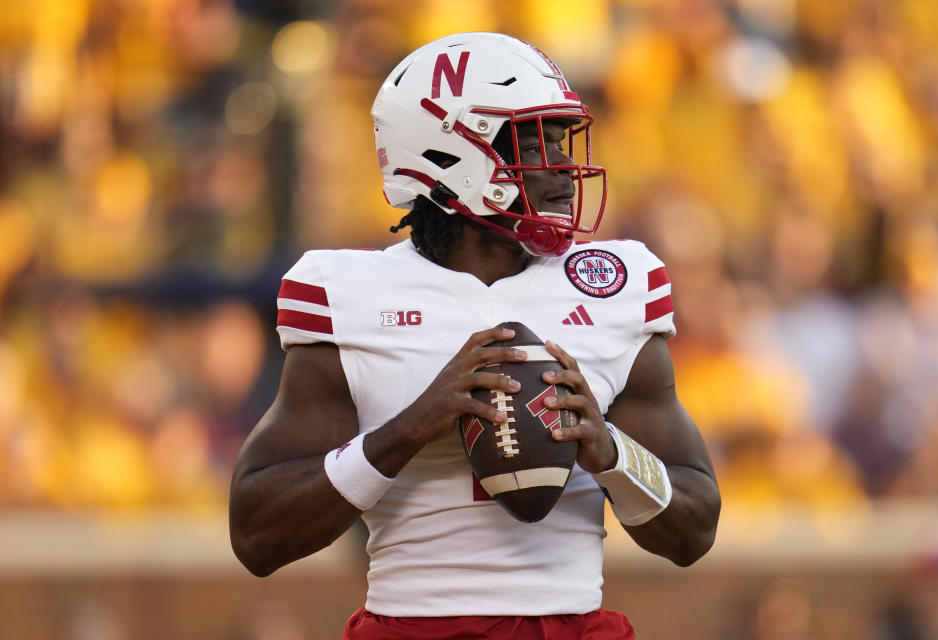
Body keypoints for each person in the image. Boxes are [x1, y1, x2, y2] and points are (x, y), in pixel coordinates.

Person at [229, 31, 721, 640]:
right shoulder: (349, 293)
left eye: (563, 142)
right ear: (451, 156)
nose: (565, 169)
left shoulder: (614, 285)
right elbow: (256, 536)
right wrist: (406, 431)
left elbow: (696, 530)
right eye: (537, 144)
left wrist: (613, 451)